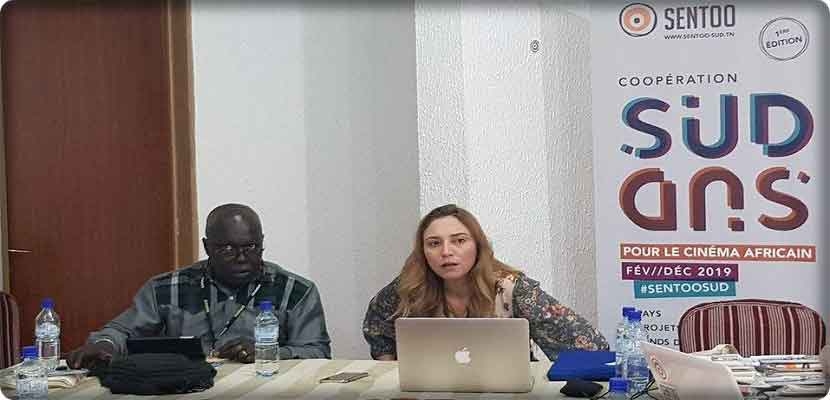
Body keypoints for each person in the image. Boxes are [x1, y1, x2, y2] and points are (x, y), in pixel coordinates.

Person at [68, 203, 331, 369]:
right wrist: (105, 345)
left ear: (262, 243)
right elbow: (120, 330)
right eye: (227, 249)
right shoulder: (167, 289)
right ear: (207, 247)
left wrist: (268, 352)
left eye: (251, 247)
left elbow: (317, 352)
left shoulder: (295, 291)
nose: (241, 258)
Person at [363, 204, 609, 361]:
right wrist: (392, 368)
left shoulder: (513, 289)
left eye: (459, 241)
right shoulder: (411, 286)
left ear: (478, 247)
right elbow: (376, 327)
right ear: (423, 252)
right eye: (434, 243)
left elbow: (593, 348)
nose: (446, 252)